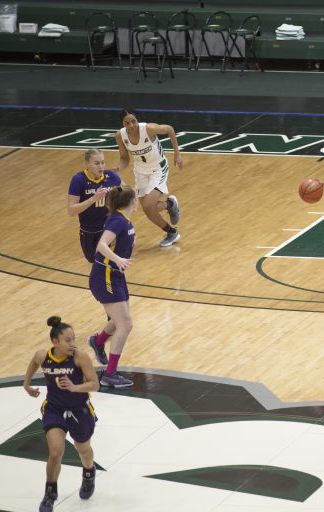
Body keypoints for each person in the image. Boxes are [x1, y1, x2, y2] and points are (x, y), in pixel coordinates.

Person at [22, 316, 100, 512]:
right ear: (55, 342)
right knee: (56, 452)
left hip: (80, 410)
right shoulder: (43, 356)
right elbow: (34, 361)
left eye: (74, 339)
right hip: (54, 410)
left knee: (83, 449)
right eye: (67, 340)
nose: (72, 343)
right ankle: (50, 494)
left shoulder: (80, 357)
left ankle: (89, 474)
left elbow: (95, 384)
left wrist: (74, 387)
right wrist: (26, 383)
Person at [66, 148, 121, 366]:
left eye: (103, 162)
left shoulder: (111, 177)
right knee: (101, 271)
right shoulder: (79, 180)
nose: (101, 166)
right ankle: (111, 314)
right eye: (97, 163)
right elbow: (72, 210)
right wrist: (93, 199)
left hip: (108, 231)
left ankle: (112, 317)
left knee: (110, 270)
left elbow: (125, 194)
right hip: (89, 234)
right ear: (87, 164)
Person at [88, 184, 137, 388]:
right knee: (125, 324)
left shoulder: (123, 219)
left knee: (119, 322)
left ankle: (98, 342)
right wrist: (118, 259)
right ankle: (110, 374)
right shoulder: (118, 221)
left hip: (115, 275)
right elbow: (101, 245)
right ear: (133, 201)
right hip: (105, 276)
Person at [115, 109, 182, 247]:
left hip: (158, 169)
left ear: (137, 120)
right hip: (140, 171)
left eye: (133, 121)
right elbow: (124, 158)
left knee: (148, 205)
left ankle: (172, 223)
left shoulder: (149, 129)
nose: (131, 125)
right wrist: (118, 169)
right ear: (122, 123)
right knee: (147, 210)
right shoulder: (120, 136)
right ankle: (170, 213)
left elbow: (169, 129)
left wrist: (177, 153)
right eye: (127, 123)